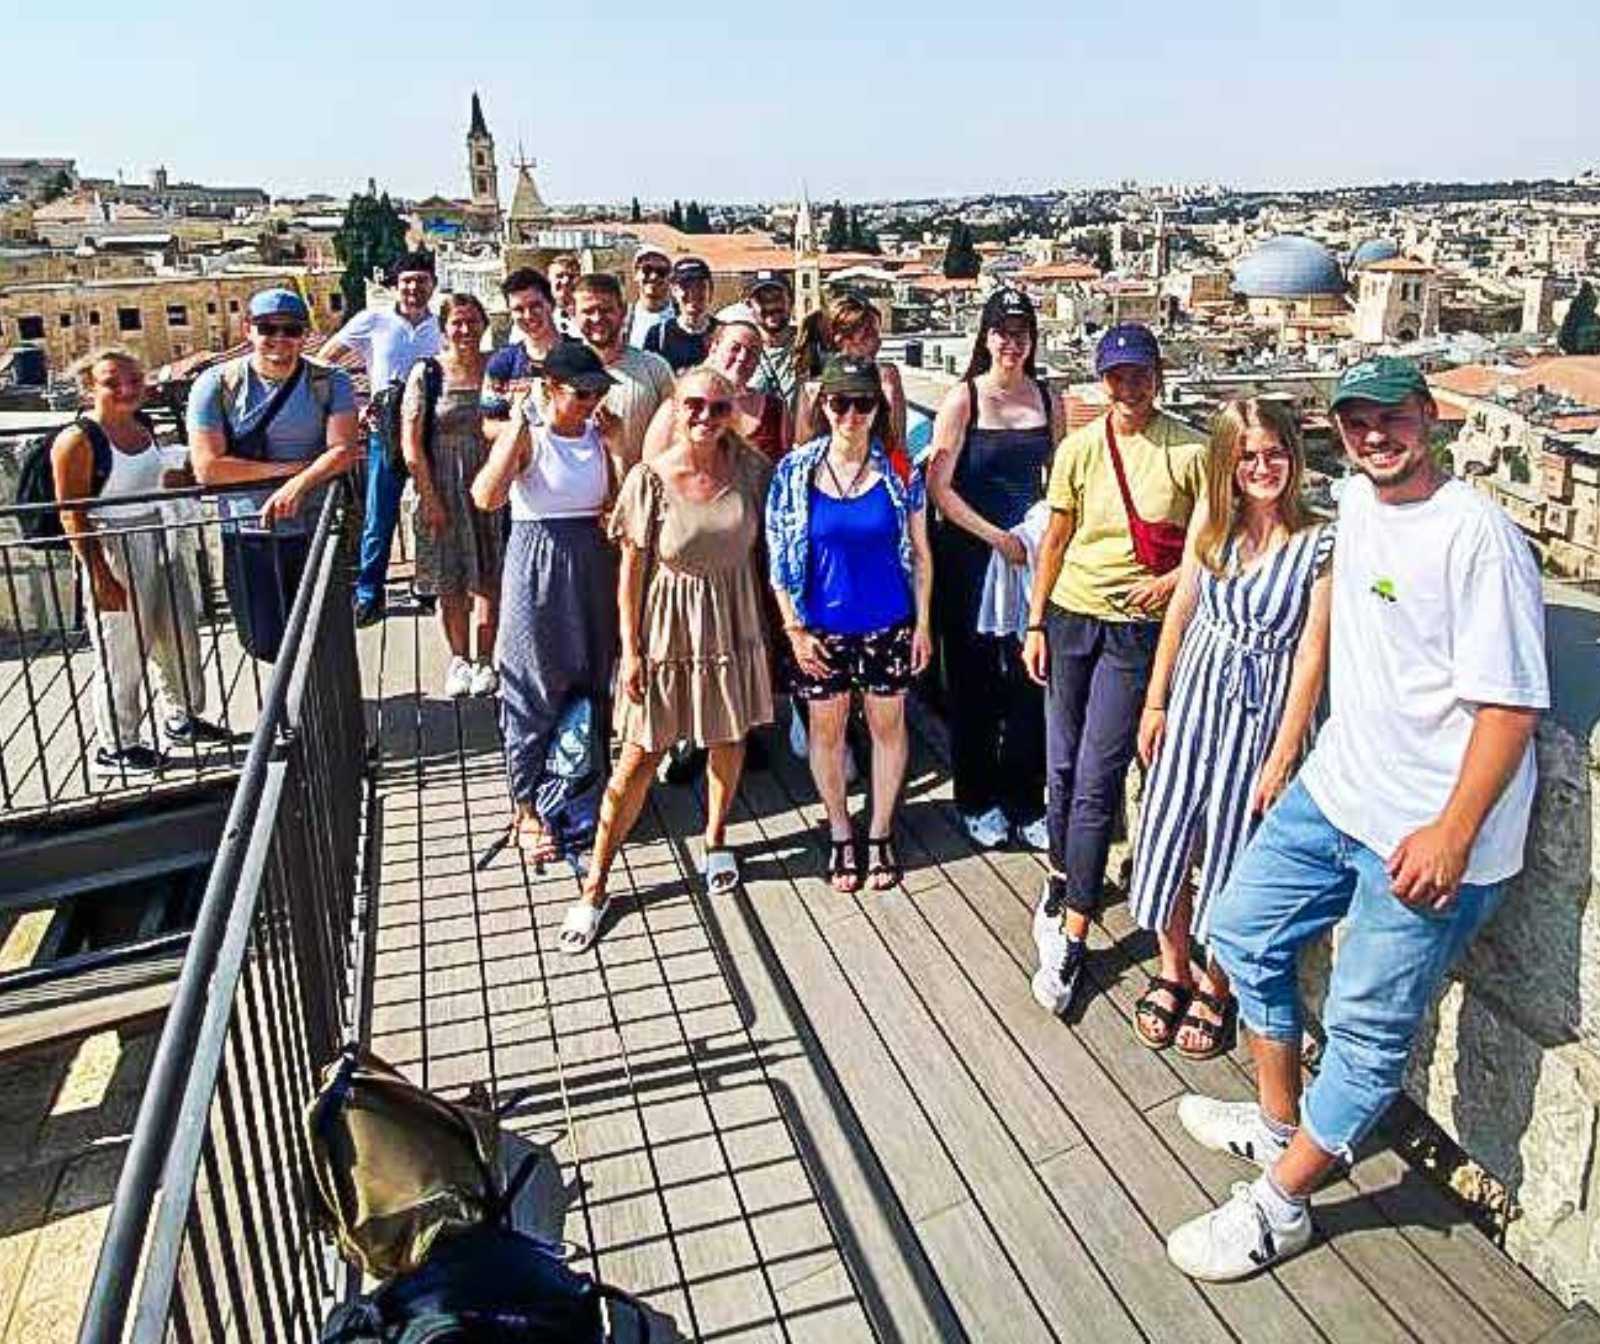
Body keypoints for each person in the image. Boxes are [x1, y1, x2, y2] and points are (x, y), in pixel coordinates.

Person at [1164, 357, 1546, 1281]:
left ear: (1430, 417)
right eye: (1356, 423)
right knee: (1241, 929)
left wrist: (1452, 833)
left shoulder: (1480, 540)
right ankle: (1278, 1124)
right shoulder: (1360, 508)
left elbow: (1511, 708)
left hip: (1423, 836)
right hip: (1340, 791)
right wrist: (1296, 749)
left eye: (1393, 417)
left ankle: (1282, 1205)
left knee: (1368, 1034)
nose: (1376, 435)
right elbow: (1332, 622)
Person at [1126, 398, 1332, 1058]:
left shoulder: (1318, 544)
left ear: (1294, 457)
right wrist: (1155, 701)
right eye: (1247, 456)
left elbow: (1312, 655)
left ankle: (1217, 986)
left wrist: (1282, 753)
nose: (1263, 466)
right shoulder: (1213, 526)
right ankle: (1172, 967)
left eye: (1274, 453)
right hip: (1193, 699)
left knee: (1233, 850)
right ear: (1227, 464)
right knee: (1168, 830)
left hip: (1258, 713)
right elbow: (1182, 611)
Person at [1025, 323, 1208, 1015]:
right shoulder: (1078, 448)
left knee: (1100, 773)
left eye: (1140, 374)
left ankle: (1073, 934)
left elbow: (1208, 543)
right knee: (1062, 765)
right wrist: (1035, 622)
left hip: (1135, 632)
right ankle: (1063, 875)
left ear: (1158, 375)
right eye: (1117, 376)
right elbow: (1056, 541)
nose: (1128, 387)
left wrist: (1168, 587)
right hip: (1071, 614)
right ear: (1101, 380)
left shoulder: (1190, 450)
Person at [558, 369, 775, 952]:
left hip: (733, 619)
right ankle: (596, 883)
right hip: (667, 627)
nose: (706, 418)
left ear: (734, 411)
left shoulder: (752, 472)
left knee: (729, 738)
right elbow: (629, 574)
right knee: (638, 758)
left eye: (719, 408)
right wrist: (631, 651)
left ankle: (715, 838)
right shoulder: (648, 479)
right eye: (695, 405)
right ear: (675, 408)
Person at [766, 356, 932, 894]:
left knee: (888, 730)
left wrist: (924, 625)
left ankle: (880, 831)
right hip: (820, 629)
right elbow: (777, 560)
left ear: (878, 410)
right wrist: (794, 629)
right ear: (824, 406)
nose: (852, 414)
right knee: (827, 734)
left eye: (864, 404)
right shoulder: (794, 472)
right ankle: (841, 830)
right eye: (841, 402)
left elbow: (923, 556)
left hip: (887, 623)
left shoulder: (899, 471)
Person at [471, 339, 623, 860]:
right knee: (532, 686)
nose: (592, 401)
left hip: (591, 563)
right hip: (537, 565)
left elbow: (619, 505)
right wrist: (515, 426)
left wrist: (619, 445)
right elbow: (485, 496)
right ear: (550, 388)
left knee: (593, 677)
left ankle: (581, 793)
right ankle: (526, 809)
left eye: (599, 391)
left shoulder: (600, 435)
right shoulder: (530, 438)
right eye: (582, 392)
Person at [53, 348, 223, 776]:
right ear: (90, 387)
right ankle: (117, 743)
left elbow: (154, 479)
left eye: (134, 380)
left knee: (179, 633)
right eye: (113, 382)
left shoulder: (142, 426)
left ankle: (182, 717)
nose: (127, 389)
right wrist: (100, 576)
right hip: (114, 545)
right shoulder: (78, 440)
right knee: (122, 649)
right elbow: (72, 512)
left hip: (158, 535)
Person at [926, 288, 1055, 851]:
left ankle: (1026, 800)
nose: (1011, 341)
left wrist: (1036, 534)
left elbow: (1061, 477)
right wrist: (994, 537)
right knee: (975, 683)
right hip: (974, 557)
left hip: (1027, 555)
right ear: (985, 336)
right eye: (1001, 331)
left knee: (1029, 682)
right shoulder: (964, 399)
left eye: (1021, 331)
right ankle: (977, 798)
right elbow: (939, 487)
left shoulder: (1049, 397)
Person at [188, 288, 359, 662]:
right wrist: (292, 472)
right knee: (263, 639)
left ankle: (311, 717)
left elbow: (344, 450)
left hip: (315, 528)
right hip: (248, 531)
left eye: (291, 330)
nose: (279, 339)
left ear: (304, 335)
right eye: (268, 328)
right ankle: (294, 713)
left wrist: (299, 485)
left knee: (322, 632)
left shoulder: (330, 381)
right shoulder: (217, 385)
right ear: (248, 329)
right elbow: (208, 467)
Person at [318, 251, 441, 627]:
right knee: (379, 515)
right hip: (384, 430)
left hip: (432, 429)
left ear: (432, 285)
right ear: (395, 285)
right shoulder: (373, 320)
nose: (414, 288)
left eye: (421, 280)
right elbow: (326, 359)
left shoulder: (442, 325)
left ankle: (429, 584)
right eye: (407, 281)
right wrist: (352, 407)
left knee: (431, 510)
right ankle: (370, 593)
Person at [402, 293, 503, 699]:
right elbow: (410, 443)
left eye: (472, 321)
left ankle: (485, 659)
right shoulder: (426, 374)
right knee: (450, 578)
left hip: (490, 479)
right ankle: (459, 658)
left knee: (489, 573)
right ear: (443, 329)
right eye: (457, 322)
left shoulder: (498, 368)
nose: (465, 330)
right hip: (441, 481)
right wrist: (429, 498)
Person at [642, 306, 789, 463]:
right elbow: (651, 469)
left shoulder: (775, 411)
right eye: (735, 348)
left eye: (753, 352)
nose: (742, 357)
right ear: (714, 347)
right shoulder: (678, 405)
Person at [572, 273, 675, 469]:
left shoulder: (655, 369)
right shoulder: (563, 373)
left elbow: (672, 439)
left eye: (606, 310)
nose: (597, 318)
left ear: (624, 311)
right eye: (588, 311)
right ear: (573, 313)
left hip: (638, 493)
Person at [793, 292, 906, 462]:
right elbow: (896, 439)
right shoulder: (886, 377)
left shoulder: (811, 382)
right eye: (871, 334)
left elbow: (802, 443)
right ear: (843, 339)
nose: (878, 342)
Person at [482, 268, 560, 437]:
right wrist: (530, 433)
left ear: (551, 304)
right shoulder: (502, 362)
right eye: (518, 309)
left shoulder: (579, 354)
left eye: (535, 306)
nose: (528, 315)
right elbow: (489, 425)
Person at [643, 257, 716, 372]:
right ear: (674, 291)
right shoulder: (658, 336)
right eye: (685, 287)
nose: (693, 293)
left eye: (700, 286)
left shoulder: (724, 333)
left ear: (710, 290)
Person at [745, 273, 800, 409]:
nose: (771, 306)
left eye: (778, 298)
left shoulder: (810, 344)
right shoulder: (741, 352)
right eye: (762, 300)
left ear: (791, 301)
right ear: (749, 306)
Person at [625, 246, 675, 349]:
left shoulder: (682, 318)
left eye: (661, 271)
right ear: (636, 274)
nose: (653, 277)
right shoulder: (623, 318)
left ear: (670, 277)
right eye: (647, 269)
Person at [548, 253, 582, 336]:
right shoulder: (538, 315)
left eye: (571, 277)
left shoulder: (590, 315)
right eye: (559, 276)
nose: (565, 281)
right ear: (548, 280)